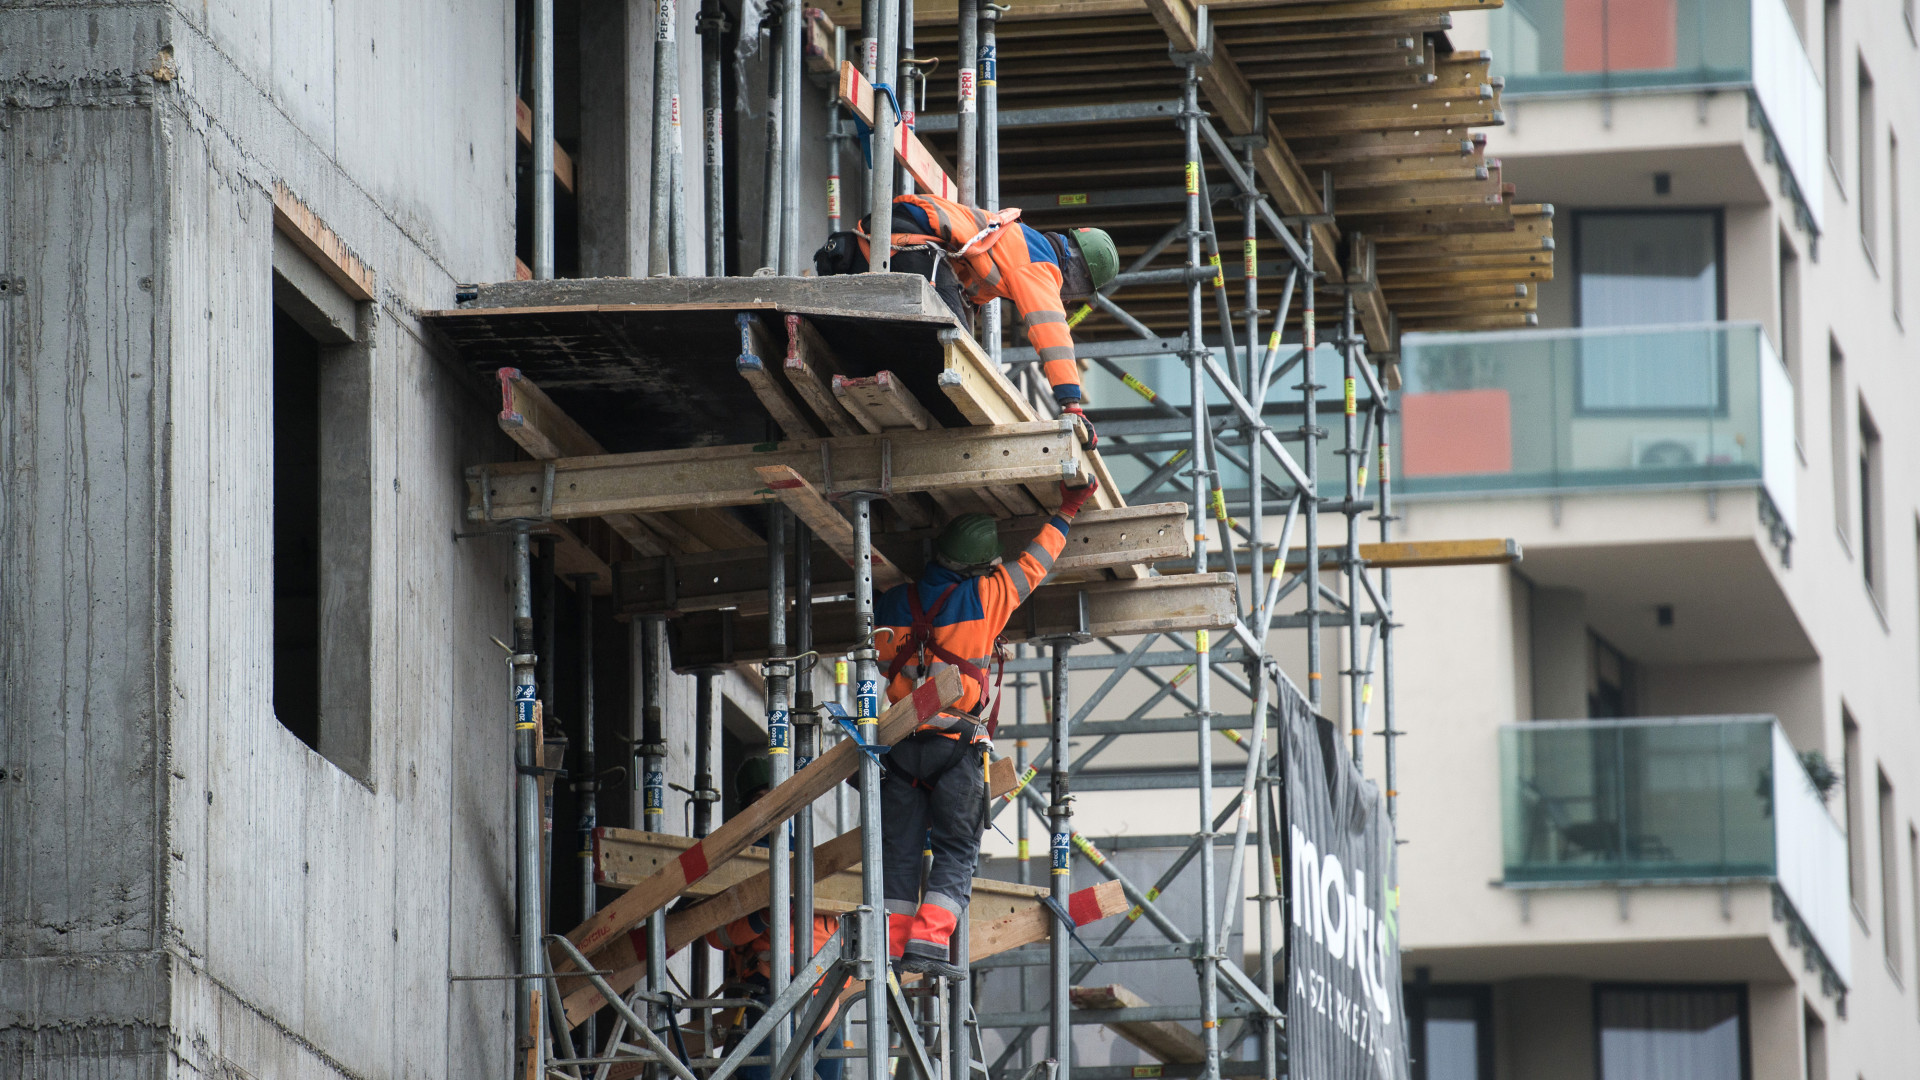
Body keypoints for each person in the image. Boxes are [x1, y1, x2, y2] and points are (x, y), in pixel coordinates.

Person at [872, 478, 1100, 978]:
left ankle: (889, 949)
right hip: (956, 749)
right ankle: (929, 945)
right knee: (956, 850)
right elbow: (1038, 559)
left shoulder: (890, 603)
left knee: (899, 857)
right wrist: (1069, 506)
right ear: (979, 565)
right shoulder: (987, 596)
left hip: (900, 751)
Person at [813, 194, 1120, 446]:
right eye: (1081, 291)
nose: (1070, 299)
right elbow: (1052, 331)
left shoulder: (1020, 246)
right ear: (1079, 272)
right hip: (905, 241)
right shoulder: (1041, 265)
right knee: (953, 357)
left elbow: (969, 288)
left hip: (884, 237)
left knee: (954, 346)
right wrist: (1072, 405)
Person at [705, 757, 844, 1080]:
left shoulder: (817, 859)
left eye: (777, 798)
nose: (772, 809)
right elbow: (717, 934)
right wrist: (765, 916)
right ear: (745, 810)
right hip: (768, 996)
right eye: (761, 800)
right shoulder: (737, 863)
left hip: (823, 998)